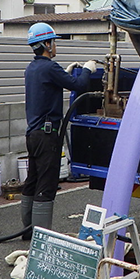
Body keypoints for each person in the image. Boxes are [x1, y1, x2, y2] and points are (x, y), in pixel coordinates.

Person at [21, 22, 97, 238]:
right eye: (53, 42)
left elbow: (51, 84)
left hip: (33, 135)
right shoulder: (49, 67)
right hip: (47, 136)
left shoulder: (32, 68)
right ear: (46, 43)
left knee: (32, 180)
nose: (55, 46)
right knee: (47, 184)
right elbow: (79, 86)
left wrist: (66, 72)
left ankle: (28, 231)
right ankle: (42, 236)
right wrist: (86, 70)